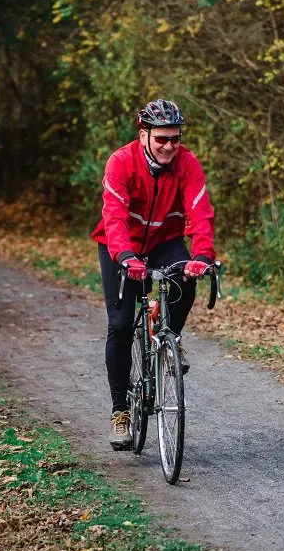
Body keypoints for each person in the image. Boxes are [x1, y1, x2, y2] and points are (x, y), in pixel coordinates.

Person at [92, 98, 216, 450]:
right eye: (161, 139)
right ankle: (120, 412)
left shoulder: (187, 164)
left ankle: (169, 338)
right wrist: (126, 256)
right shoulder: (121, 162)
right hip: (121, 246)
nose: (169, 146)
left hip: (165, 241)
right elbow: (114, 216)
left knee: (187, 277)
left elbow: (200, 212)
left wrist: (203, 254)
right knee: (119, 326)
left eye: (174, 139)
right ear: (143, 134)